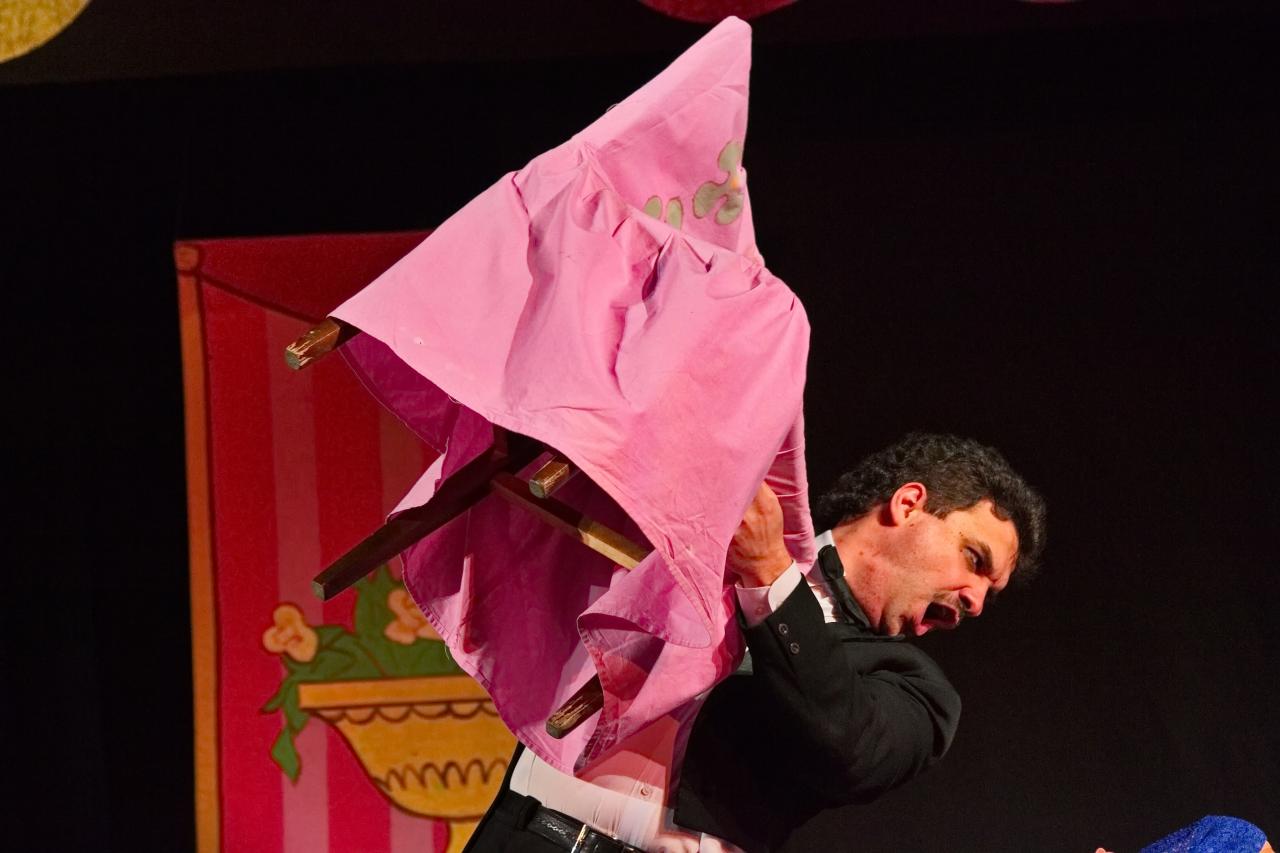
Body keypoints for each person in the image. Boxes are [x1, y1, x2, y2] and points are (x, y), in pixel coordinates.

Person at [463, 432, 1047, 853]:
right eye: (974, 559)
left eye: (989, 594)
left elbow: (847, 745)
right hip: (520, 832)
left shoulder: (920, 693)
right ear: (909, 504)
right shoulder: (703, 535)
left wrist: (770, 577)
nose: (975, 600)